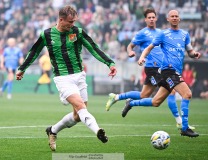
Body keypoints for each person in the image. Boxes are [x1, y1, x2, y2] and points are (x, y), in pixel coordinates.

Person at [16, 6, 117, 151]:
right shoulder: (47, 34)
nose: (72, 25)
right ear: (61, 19)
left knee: (78, 115)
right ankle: (98, 131)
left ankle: (53, 130)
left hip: (79, 75)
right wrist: (22, 69)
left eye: (74, 21)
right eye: (70, 22)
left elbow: (94, 48)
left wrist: (110, 63)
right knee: (81, 107)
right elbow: (34, 52)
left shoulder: (78, 32)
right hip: (62, 78)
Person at [105, 8, 194, 130]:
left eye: (153, 17)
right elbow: (130, 46)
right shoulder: (143, 33)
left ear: (156, 18)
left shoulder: (161, 32)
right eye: (149, 17)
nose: (152, 19)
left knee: (145, 95)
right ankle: (180, 121)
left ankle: (117, 97)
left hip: (162, 67)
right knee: (172, 91)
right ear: (145, 19)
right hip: (153, 67)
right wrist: (131, 52)